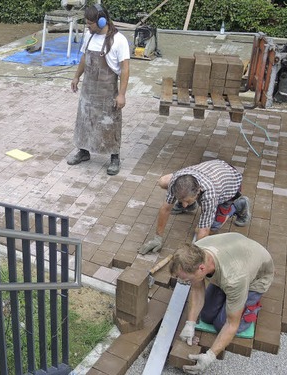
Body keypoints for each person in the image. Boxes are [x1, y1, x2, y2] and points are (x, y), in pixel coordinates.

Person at [169, 233, 274, 374]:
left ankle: (249, 305)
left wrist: (210, 355)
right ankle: (231, 296)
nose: (185, 282)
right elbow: (196, 288)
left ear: (201, 268)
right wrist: (190, 323)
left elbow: (232, 324)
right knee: (206, 316)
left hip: (256, 278)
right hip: (236, 256)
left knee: (221, 324)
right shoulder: (196, 252)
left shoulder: (234, 279)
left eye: (187, 279)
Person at [67, 4, 130, 175]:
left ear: (102, 21)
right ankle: (83, 151)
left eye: (90, 24)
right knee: (84, 120)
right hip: (88, 90)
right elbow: (84, 57)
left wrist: (122, 95)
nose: (87, 27)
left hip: (107, 91)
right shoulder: (89, 36)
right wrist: (76, 76)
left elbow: (125, 69)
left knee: (110, 124)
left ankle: (114, 157)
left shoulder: (119, 40)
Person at [138, 159, 251, 254]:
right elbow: (165, 208)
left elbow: (204, 230)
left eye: (187, 201)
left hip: (230, 182)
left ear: (198, 191)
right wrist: (158, 237)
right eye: (181, 201)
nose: (184, 205)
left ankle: (238, 205)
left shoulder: (209, 195)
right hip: (210, 170)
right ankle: (191, 203)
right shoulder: (176, 181)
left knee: (209, 229)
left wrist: (194, 255)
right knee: (163, 181)